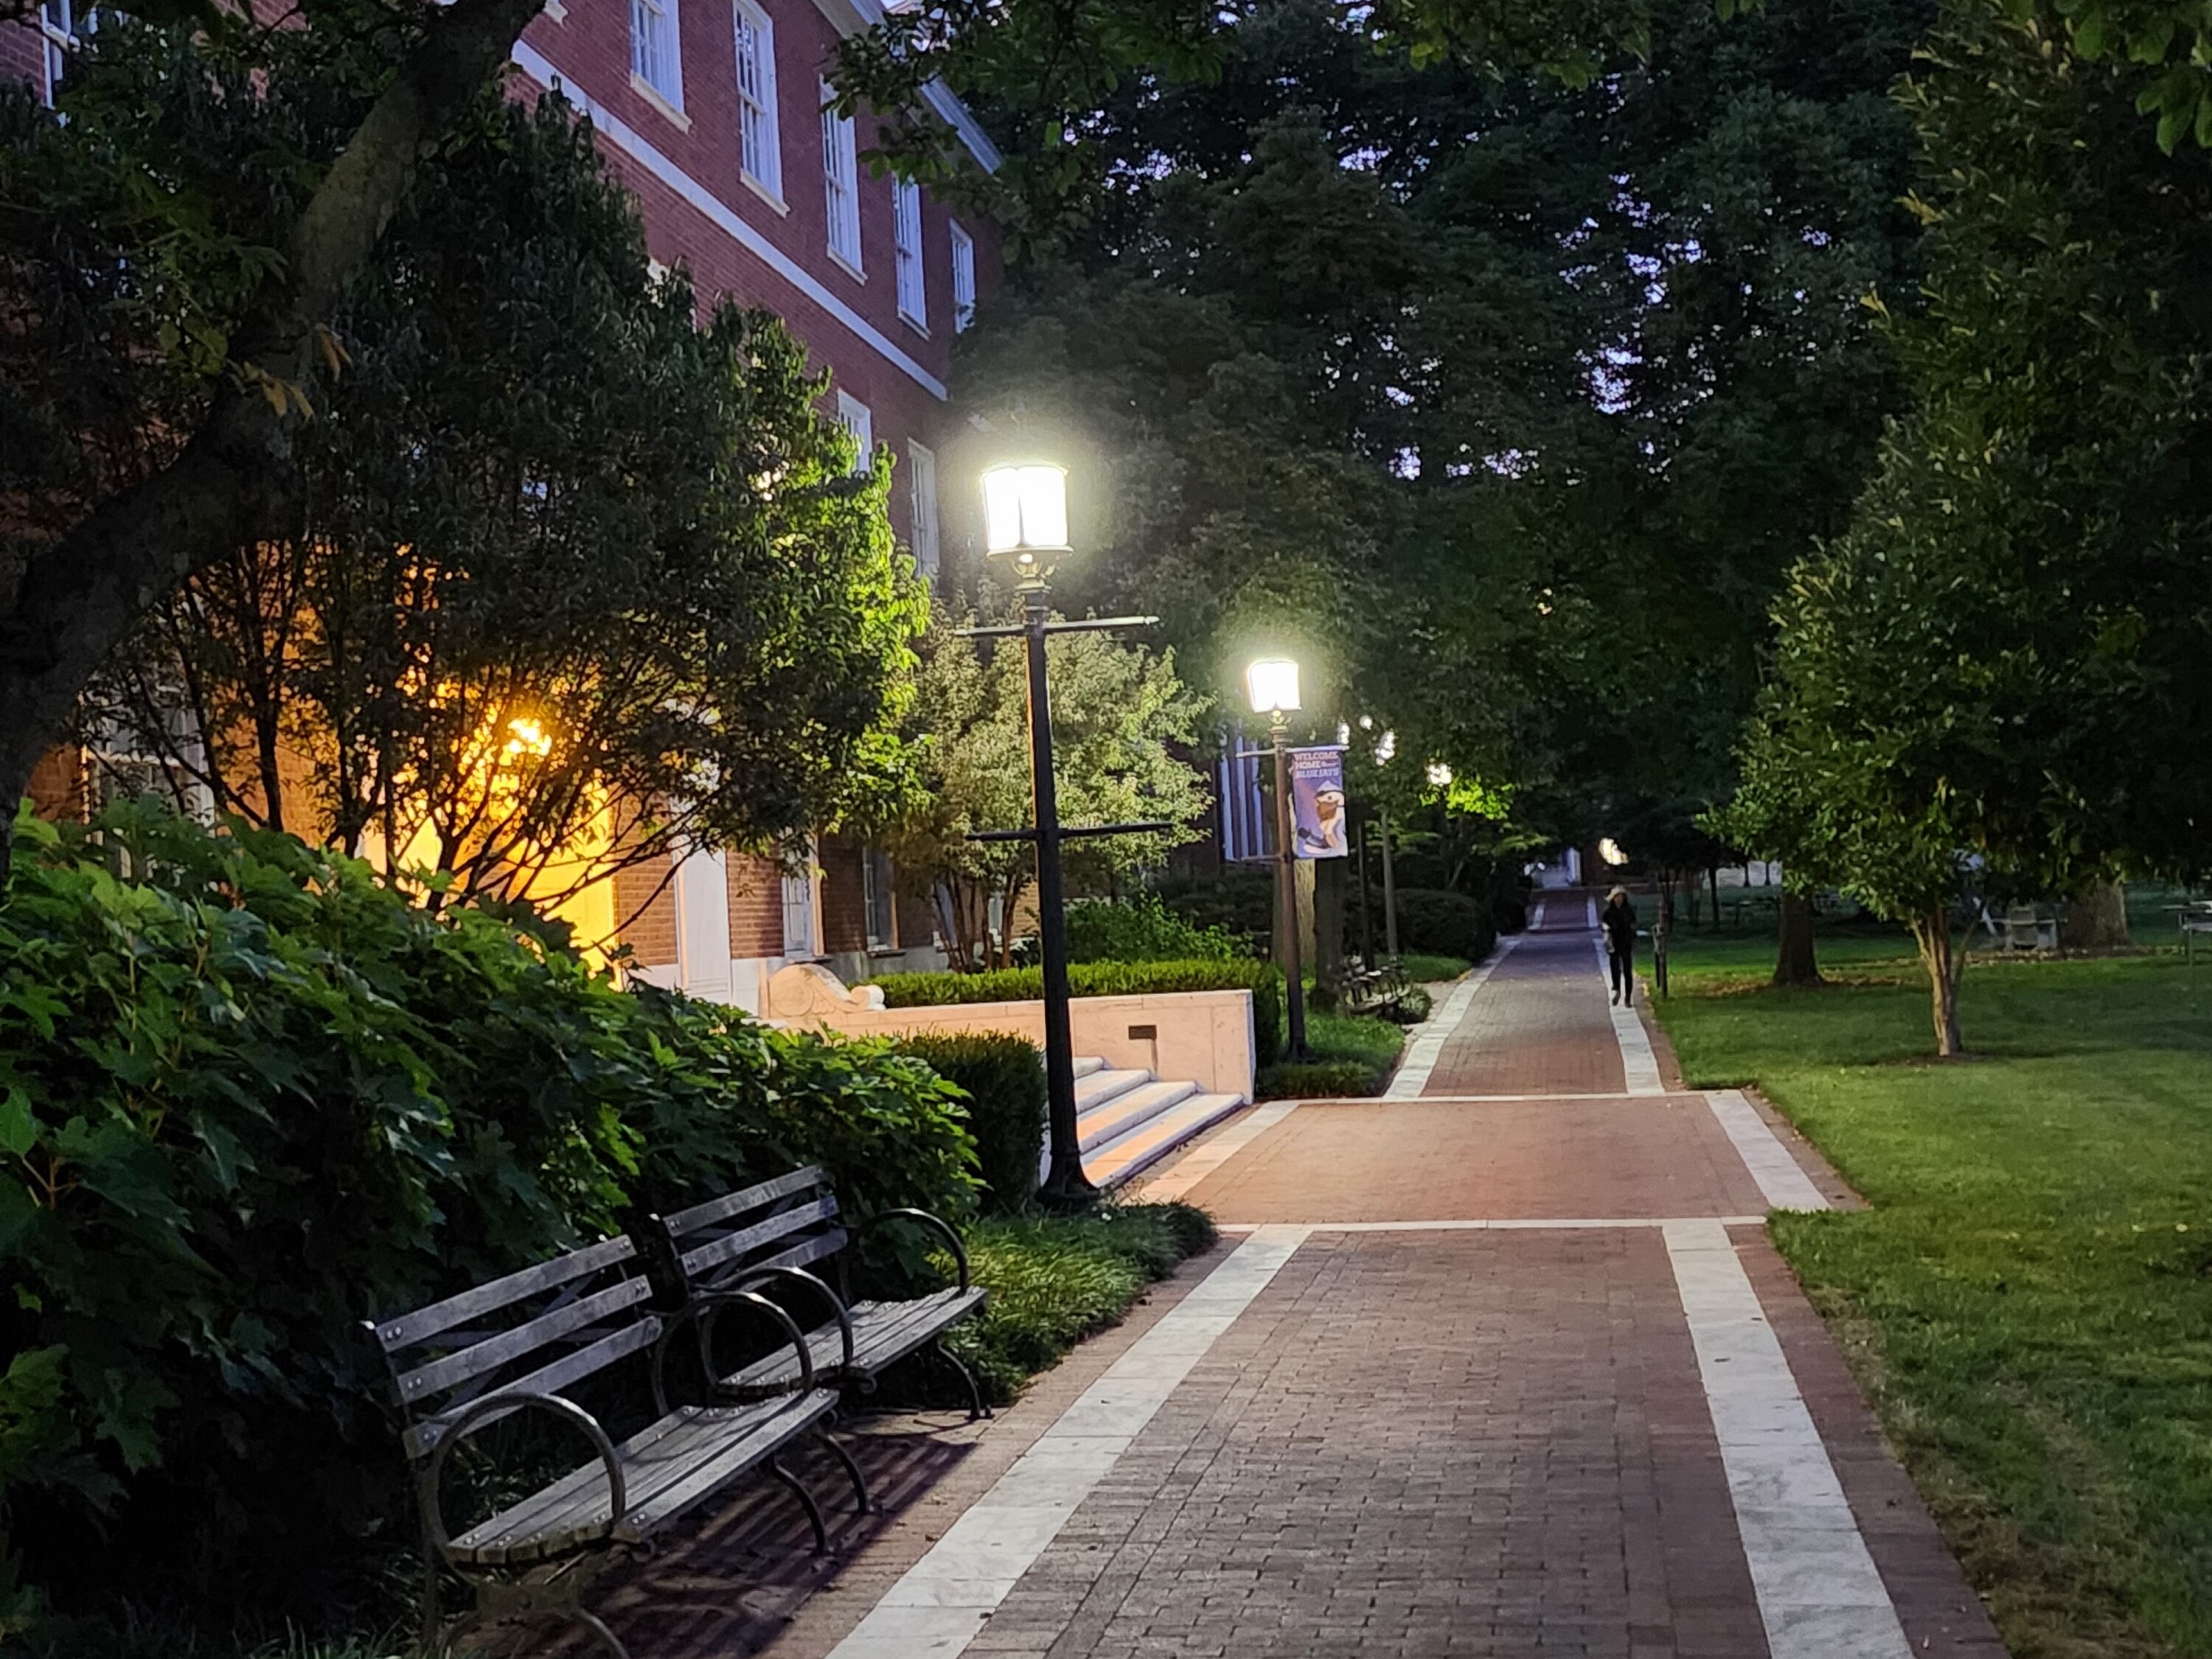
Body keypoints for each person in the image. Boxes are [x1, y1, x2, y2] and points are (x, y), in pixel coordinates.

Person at [1601, 886, 1638, 1006]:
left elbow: (1633, 924)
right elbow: (1604, 924)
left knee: (1627, 970)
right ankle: (1616, 989)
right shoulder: (1609, 913)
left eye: (1621, 897)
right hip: (1614, 943)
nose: (1619, 899)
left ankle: (1628, 996)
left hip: (1626, 942)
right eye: (1617, 897)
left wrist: (1632, 933)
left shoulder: (1629, 911)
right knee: (1615, 969)